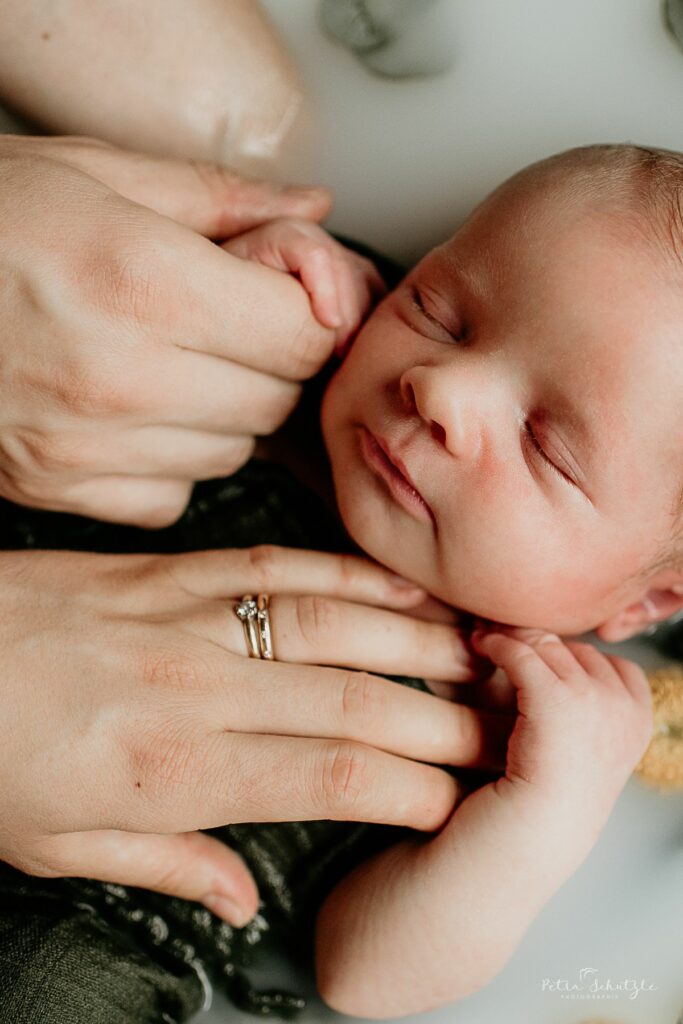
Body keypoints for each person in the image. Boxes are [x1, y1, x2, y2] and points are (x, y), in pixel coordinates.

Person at [2, 141, 679, 1020]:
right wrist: (244, 283)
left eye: (547, 446)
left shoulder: (511, 721)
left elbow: (363, 976)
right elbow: (97, 335)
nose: (442, 388)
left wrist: (545, 819)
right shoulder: (298, 383)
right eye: (438, 311)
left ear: (642, 602)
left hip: (84, 922)